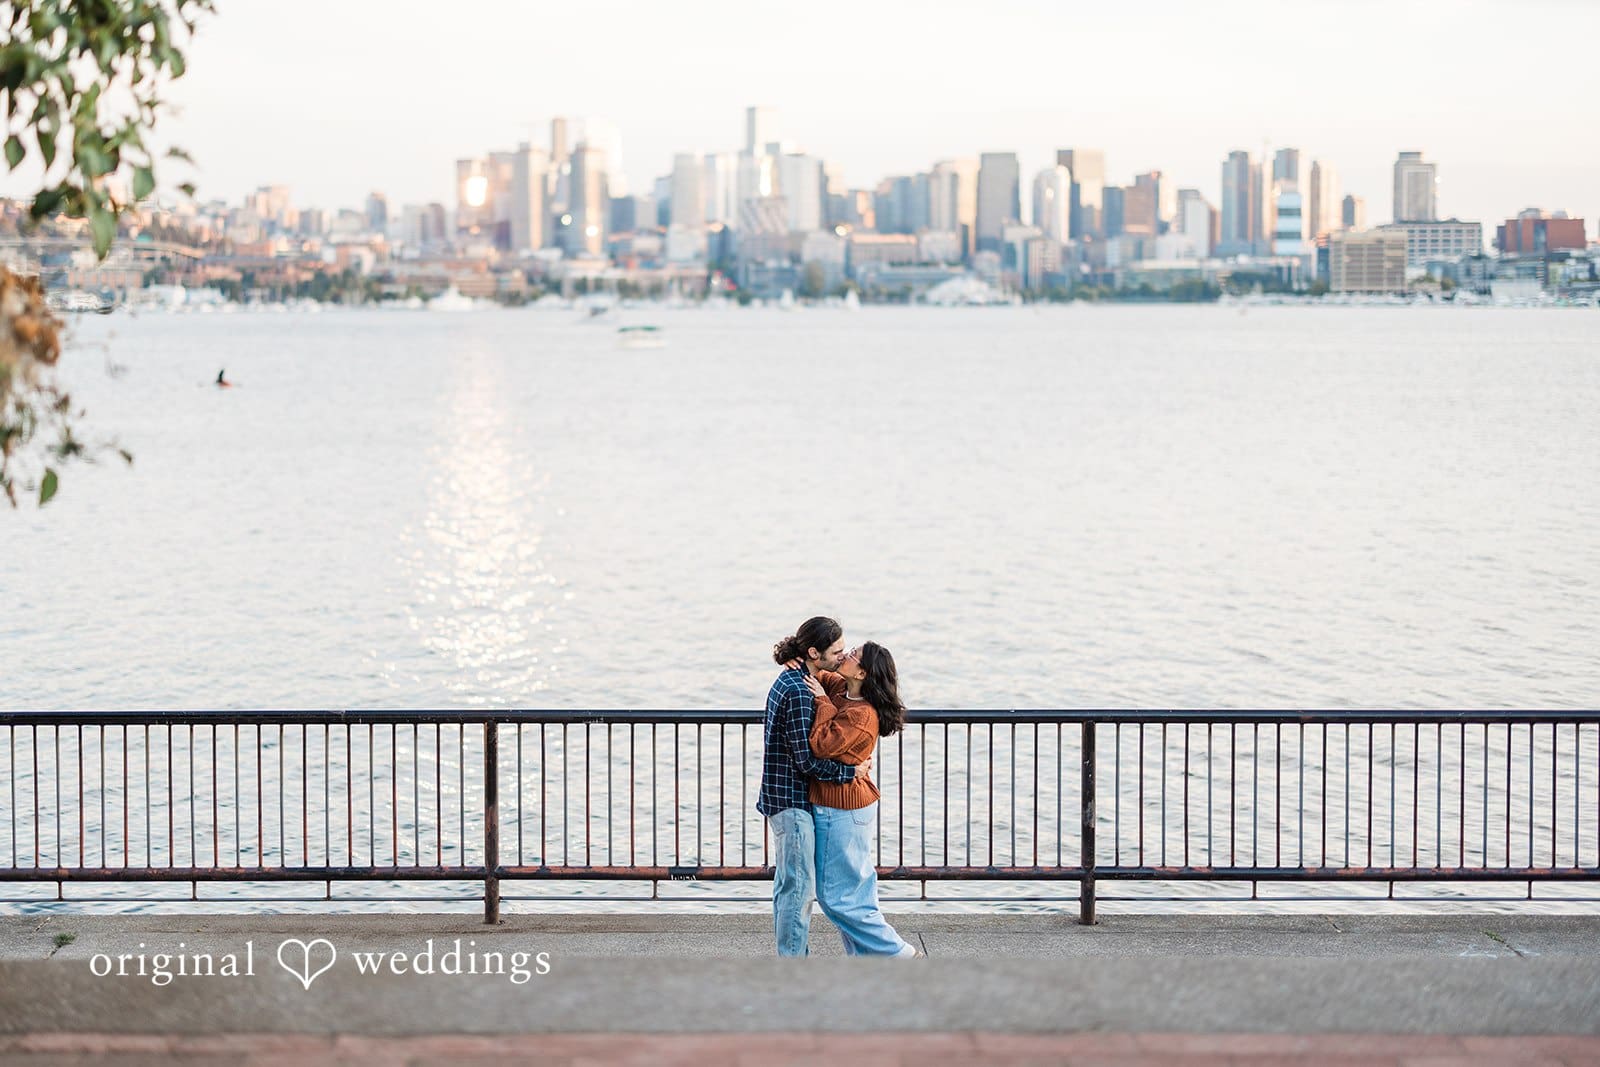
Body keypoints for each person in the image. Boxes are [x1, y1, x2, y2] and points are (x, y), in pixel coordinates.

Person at [802, 642, 921, 958]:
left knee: (833, 896)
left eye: (852, 655)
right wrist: (799, 660)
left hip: (842, 807)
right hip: (847, 804)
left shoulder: (862, 714)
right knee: (855, 892)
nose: (845, 655)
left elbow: (821, 744)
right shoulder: (844, 688)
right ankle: (867, 961)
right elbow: (823, 676)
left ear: (863, 672)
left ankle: (898, 954)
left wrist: (821, 703)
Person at [758, 616, 868, 957]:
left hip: (783, 798)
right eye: (835, 652)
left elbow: (835, 677)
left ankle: (791, 959)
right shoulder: (799, 691)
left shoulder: (797, 677)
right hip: (791, 801)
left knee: (788, 885)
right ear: (813, 652)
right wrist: (851, 774)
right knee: (799, 890)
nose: (840, 656)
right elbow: (806, 760)